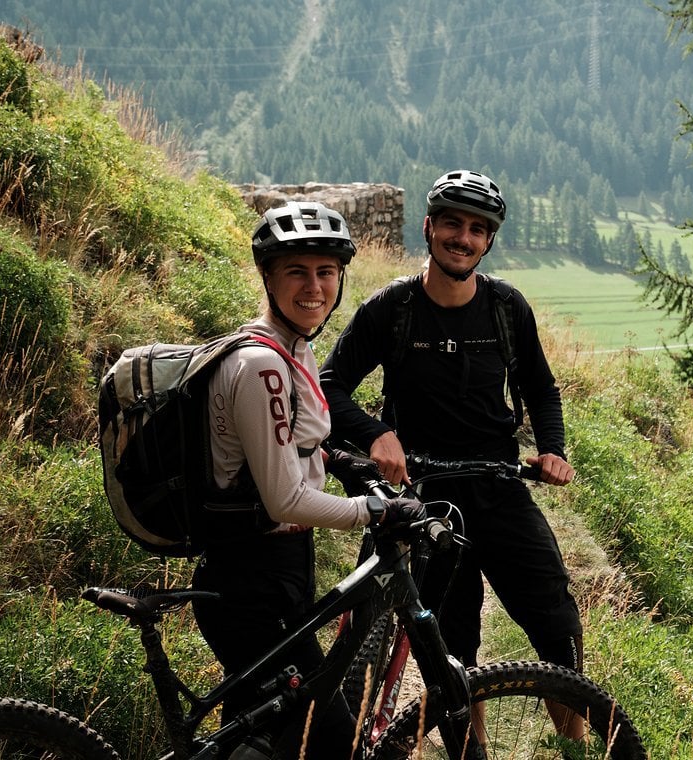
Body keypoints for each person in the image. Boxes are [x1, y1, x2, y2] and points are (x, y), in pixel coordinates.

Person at [319, 169, 586, 739]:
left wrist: (553, 450)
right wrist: (374, 434)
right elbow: (329, 384)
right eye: (452, 224)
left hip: (500, 485)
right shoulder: (392, 309)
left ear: (489, 241)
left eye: (477, 229)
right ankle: (470, 751)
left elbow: (539, 386)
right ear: (429, 228)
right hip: (425, 499)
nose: (463, 238)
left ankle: (578, 746)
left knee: (558, 626)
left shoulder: (506, 309)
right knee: (452, 646)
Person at [191, 201, 425, 759]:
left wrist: (351, 467)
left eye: (326, 272)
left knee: (262, 736)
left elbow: (297, 447)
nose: (314, 286)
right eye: (297, 271)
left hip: (277, 577)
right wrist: (376, 513)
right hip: (249, 582)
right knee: (329, 741)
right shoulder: (262, 365)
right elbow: (285, 498)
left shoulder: (296, 347)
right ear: (268, 277)